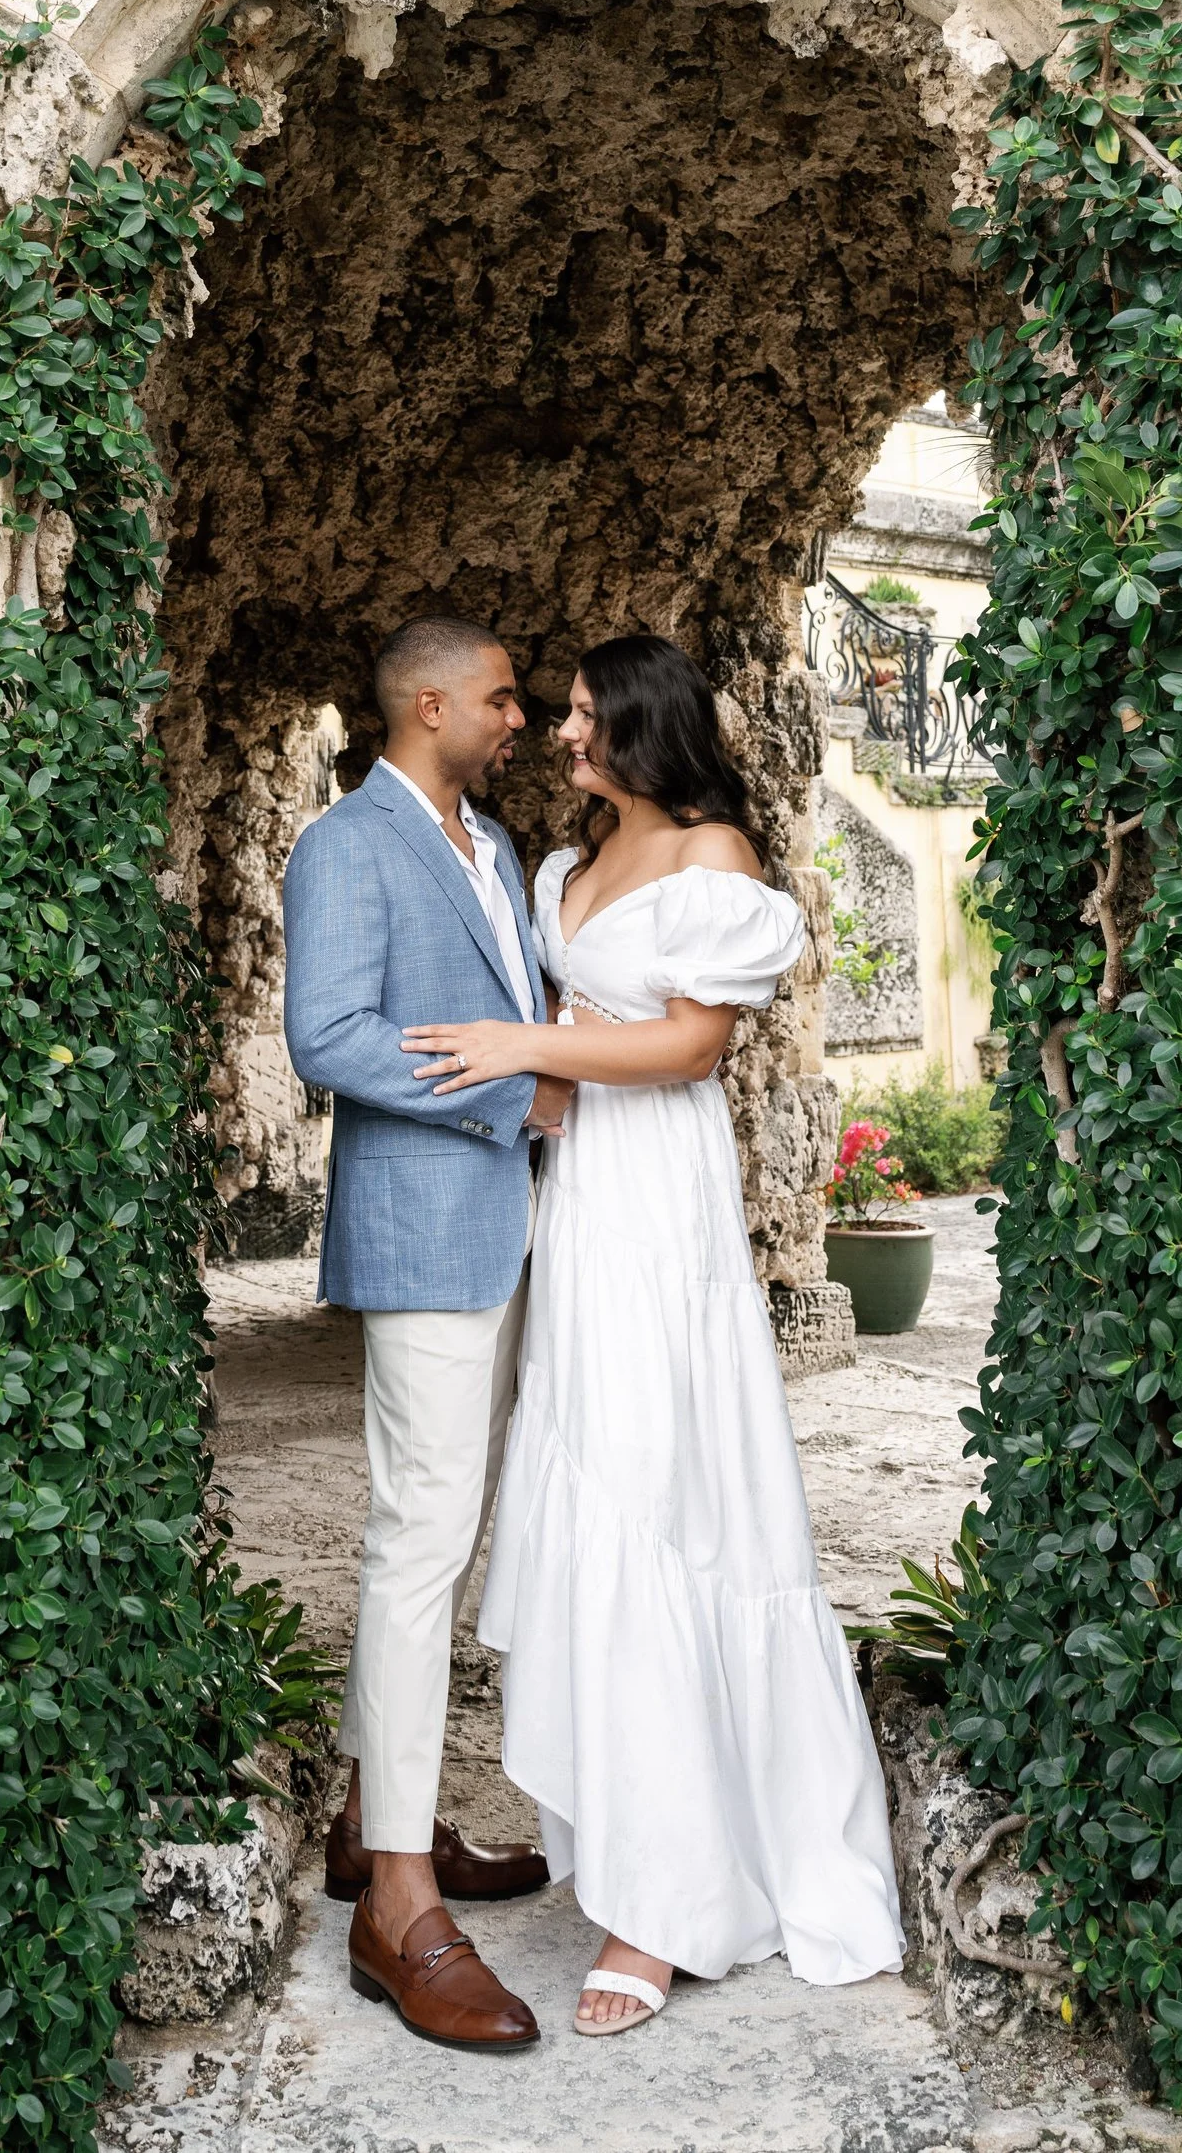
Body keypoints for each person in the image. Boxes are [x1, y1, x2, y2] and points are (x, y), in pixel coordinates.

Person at [404, 631, 904, 2038]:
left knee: (665, 1497)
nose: (563, 738)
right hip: (582, 1202)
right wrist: (525, 1091)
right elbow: (574, 1023)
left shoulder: (716, 859)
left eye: (582, 716)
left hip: (664, 1200)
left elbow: (690, 1047)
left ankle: (665, 1906)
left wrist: (524, 1050)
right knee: (587, 1481)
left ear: (643, 724)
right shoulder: (569, 868)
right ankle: (629, 1835)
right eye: (557, 715)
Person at [281, 614, 576, 2056]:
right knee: (417, 1540)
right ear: (430, 700)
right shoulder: (348, 844)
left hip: (511, 1227)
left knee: (445, 1535)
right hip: (423, 1226)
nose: (518, 717)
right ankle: (397, 1903)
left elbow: (520, 1004)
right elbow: (326, 1032)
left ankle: (367, 1817)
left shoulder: (496, 845)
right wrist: (507, 1095)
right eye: (504, 697)